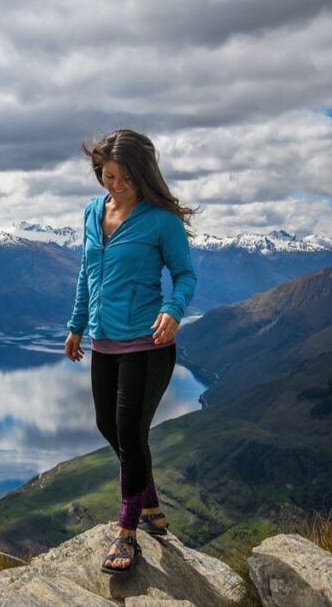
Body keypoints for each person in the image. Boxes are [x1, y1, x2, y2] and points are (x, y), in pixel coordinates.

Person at [64, 129, 197, 575]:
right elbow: (87, 272)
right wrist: (76, 326)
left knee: (129, 431)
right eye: (107, 175)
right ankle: (153, 506)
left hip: (148, 345)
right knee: (111, 428)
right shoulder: (91, 212)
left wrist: (173, 310)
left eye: (123, 177)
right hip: (103, 342)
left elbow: (185, 275)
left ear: (142, 174)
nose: (114, 184)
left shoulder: (161, 220)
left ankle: (127, 534)